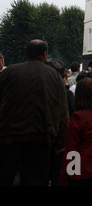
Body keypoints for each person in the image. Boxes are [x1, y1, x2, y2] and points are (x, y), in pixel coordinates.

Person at [0, 40, 69, 186]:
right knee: (35, 181)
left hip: (9, 137)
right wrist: (61, 141)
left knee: (4, 177)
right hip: (41, 137)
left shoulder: (8, 72)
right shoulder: (55, 77)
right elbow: (63, 111)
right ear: (44, 54)